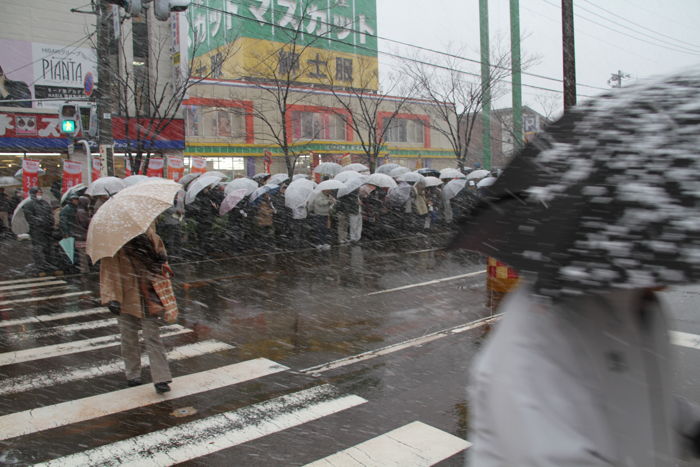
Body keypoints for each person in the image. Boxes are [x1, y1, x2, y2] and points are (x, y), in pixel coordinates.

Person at [99, 226, 173, 393]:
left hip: (148, 294)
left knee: (152, 337)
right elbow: (108, 271)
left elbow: (163, 259)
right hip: (125, 296)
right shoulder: (114, 243)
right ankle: (133, 374)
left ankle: (161, 378)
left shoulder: (151, 236)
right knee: (128, 338)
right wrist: (111, 298)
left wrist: (160, 261)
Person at [23, 187, 55, 274]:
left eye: (41, 192)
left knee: (48, 248)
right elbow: (29, 217)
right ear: (33, 194)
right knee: (38, 248)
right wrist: (40, 221)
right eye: (38, 193)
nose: (40, 194)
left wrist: (50, 221)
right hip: (36, 231)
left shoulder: (45, 203)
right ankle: (39, 265)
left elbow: (50, 214)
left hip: (47, 229)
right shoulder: (28, 204)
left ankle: (48, 264)